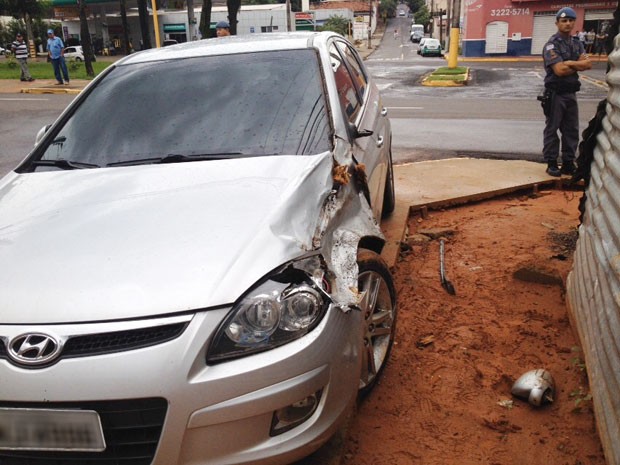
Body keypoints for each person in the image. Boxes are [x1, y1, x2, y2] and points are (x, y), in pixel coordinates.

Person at [541, 7, 592, 177]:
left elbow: (588, 64)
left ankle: (569, 163)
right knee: (552, 128)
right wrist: (575, 63)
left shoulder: (577, 43)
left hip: (571, 93)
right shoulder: (551, 45)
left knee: (571, 129)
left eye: (570, 20)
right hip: (555, 93)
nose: (568, 23)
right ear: (557, 23)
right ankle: (552, 162)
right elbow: (559, 71)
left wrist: (569, 63)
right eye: (564, 21)